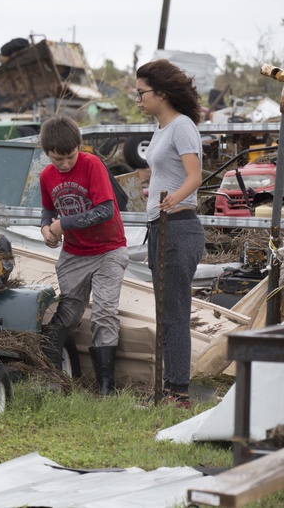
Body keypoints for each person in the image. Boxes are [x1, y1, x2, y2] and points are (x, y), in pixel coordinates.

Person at [38, 116, 128, 395]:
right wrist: (46, 229)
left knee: (104, 311)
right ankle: (53, 373)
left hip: (108, 249)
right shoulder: (46, 177)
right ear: (46, 154)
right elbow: (48, 211)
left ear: (80, 146)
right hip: (74, 253)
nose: (64, 164)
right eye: (57, 159)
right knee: (68, 311)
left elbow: (105, 210)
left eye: (69, 157)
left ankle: (105, 386)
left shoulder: (92, 165)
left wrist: (63, 224)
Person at [137, 58, 204, 408]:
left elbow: (194, 177)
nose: (138, 99)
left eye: (141, 92)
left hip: (178, 227)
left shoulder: (182, 126)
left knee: (175, 311)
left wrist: (171, 199)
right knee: (165, 312)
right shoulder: (161, 129)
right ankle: (166, 390)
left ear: (161, 93)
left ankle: (178, 393)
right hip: (159, 227)